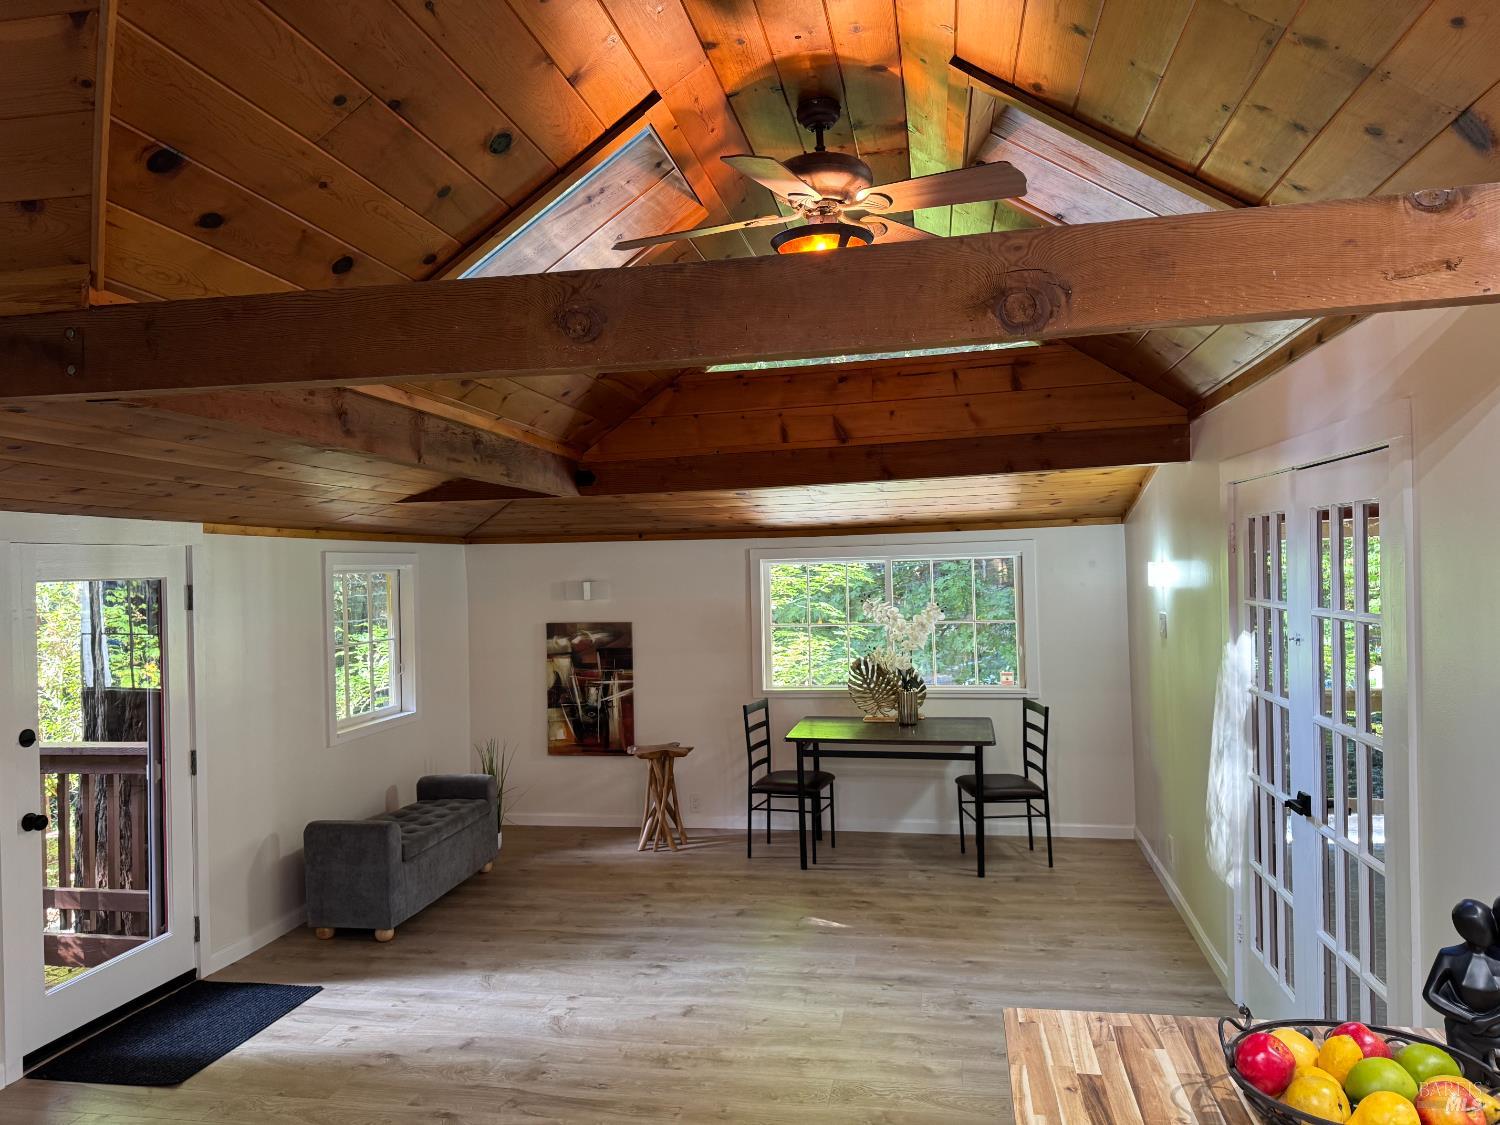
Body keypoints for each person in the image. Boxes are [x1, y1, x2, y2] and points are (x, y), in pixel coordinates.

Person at [1422, 898, 1500, 1077]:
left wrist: (1488, 1020)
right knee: (1468, 1079)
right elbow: (1430, 993)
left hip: (1496, 1030)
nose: (1486, 930)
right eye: (1478, 926)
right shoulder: (1449, 956)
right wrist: (1469, 1018)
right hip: (1463, 1031)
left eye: (1487, 924)